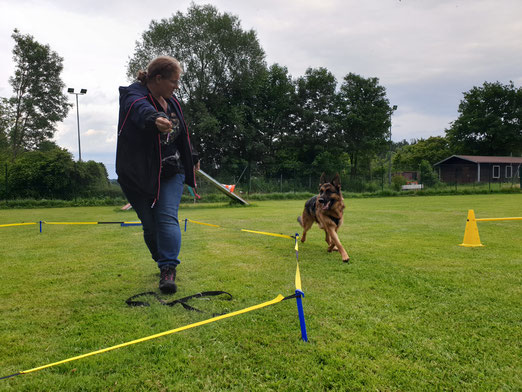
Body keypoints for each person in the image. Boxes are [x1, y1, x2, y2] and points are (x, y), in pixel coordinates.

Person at [116, 56, 199, 294]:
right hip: (137, 172)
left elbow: (182, 134)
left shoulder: (173, 103)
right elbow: (139, 109)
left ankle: (168, 268)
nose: (176, 86)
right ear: (158, 78)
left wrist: (192, 156)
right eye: (174, 81)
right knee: (150, 227)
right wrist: (154, 118)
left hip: (171, 170)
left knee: (166, 217)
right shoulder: (132, 94)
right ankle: (161, 260)